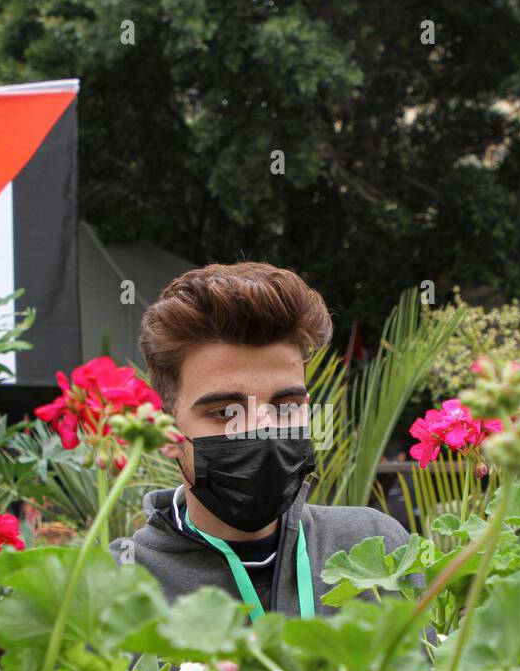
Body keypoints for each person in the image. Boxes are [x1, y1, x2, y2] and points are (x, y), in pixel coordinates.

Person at [110, 261, 416, 618]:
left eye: (286, 406)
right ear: (166, 433)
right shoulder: (112, 587)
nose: (262, 429)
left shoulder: (374, 546)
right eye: (225, 412)